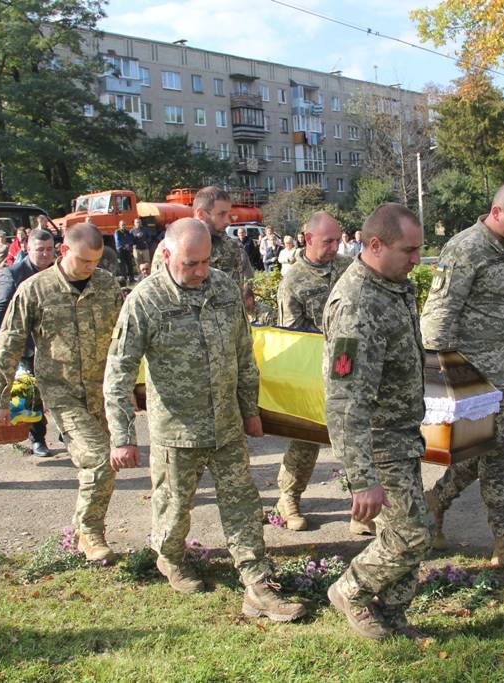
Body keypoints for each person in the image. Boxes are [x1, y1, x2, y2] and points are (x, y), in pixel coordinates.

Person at [103, 218, 305, 622]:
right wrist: (122, 436)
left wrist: (250, 411)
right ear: (165, 255)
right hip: (176, 431)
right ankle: (170, 557)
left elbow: (244, 354)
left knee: (243, 505)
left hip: (226, 425)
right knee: (174, 509)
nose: (200, 272)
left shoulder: (224, 288)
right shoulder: (145, 301)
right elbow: (119, 371)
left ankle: (257, 583)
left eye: (205, 262)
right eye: (190, 264)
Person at [419, 179, 504, 569]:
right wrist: (441, 378)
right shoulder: (465, 250)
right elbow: (438, 317)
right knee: (496, 454)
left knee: (486, 451)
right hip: (472, 378)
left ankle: (437, 501)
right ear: (497, 212)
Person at [322, 203, 433, 640]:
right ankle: (350, 590)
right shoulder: (355, 305)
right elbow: (344, 400)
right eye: (409, 250)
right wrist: (361, 477)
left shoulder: (393, 285)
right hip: (378, 440)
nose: (416, 259)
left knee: (410, 527)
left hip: (403, 433)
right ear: (374, 245)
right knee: (413, 534)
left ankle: (391, 612)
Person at [0, 223, 124, 563]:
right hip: (62, 391)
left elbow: (129, 337)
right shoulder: (35, 289)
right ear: (64, 251)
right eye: (83, 262)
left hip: (102, 391)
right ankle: (91, 534)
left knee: (103, 461)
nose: (89, 269)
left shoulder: (107, 285)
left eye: (95, 262)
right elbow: (8, 344)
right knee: (97, 459)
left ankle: (84, 527)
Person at [270, 211, 368, 534]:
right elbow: (291, 337)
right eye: (327, 241)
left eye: (336, 240)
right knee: (307, 438)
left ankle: (361, 508)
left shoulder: (347, 268)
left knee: (353, 435)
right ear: (308, 239)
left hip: (347, 365)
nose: (333, 247)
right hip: (312, 370)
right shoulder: (293, 280)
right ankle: (288, 497)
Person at [0, 228, 57, 457]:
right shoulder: (13, 274)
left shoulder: (60, 270)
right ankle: (38, 438)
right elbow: (1, 309)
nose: (45, 254)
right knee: (34, 393)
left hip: (58, 343)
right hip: (28, 345)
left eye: (49, 249)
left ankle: (68, 431)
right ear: (27, 249)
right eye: (40, 250)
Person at [151, 186, 253, 289]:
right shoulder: (173, 247)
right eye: (221, 214)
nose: (228, 221)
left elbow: (242, 286)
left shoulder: (232, 247)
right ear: (201, 214)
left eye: (228, 214)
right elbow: (158, 291)